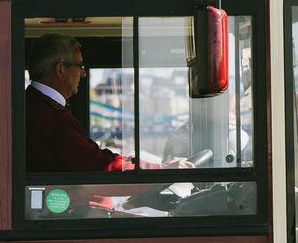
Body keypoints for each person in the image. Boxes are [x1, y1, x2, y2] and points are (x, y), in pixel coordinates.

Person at [26, 33, 192, 172]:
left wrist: (138, 164)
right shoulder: (49, 117)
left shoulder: (37, 107)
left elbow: (93, 156)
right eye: (80, 65)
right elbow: (98, 168)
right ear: (60, 69)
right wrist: (160, 170)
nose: (83, 73)